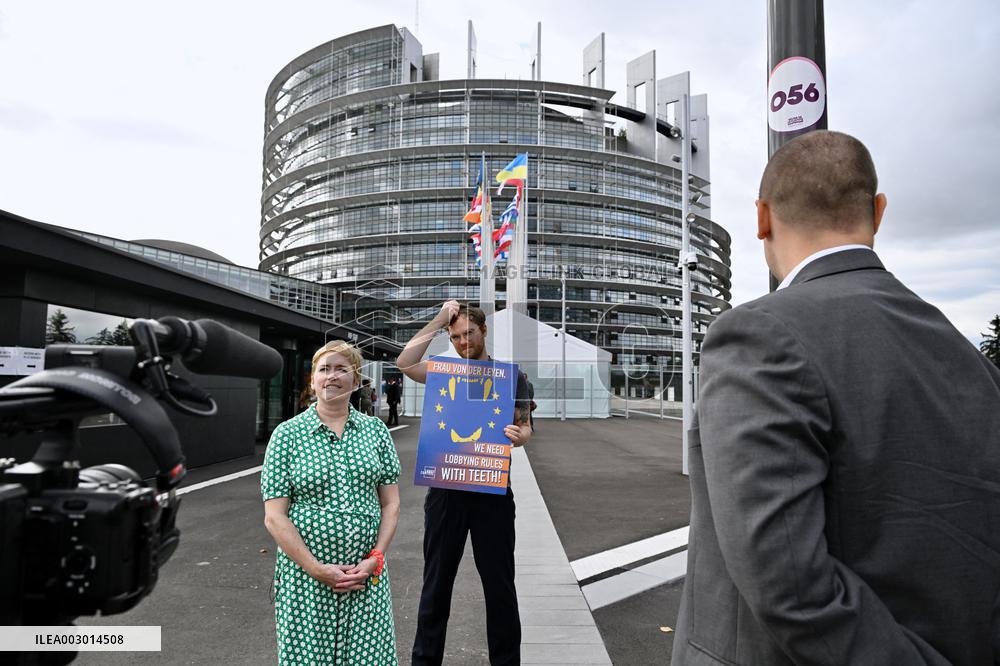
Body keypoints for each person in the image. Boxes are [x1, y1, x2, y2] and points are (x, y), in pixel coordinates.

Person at [673, 130, 1000, 665]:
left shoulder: (758, 335)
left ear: (761, 217)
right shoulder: (967, 357)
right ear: (878, 210)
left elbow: (790, 584)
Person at [398, 301, 532, 666]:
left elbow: (526, 427)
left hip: (492, 491)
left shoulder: (510, 377)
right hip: (446, 491)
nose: (462, 342)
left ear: (483, 331)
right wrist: (440, 319)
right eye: (455, 336)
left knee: (500, 588)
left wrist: (519, 437)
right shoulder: (443, 370)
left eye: (468, 333)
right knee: (436, 586)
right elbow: (405, 363)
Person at [262, 340, 402, 665]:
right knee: (308, 659)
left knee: (369, 659)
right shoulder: (287, 435)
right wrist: (317, 569)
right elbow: (274, 516)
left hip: (365, 574)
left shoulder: (377, 432)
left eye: (342, 369)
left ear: (356, 381)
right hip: (305, 578)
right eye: (324, 369)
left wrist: (375, 560)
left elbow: (390, 505)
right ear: (312, 380)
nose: (332, 376)